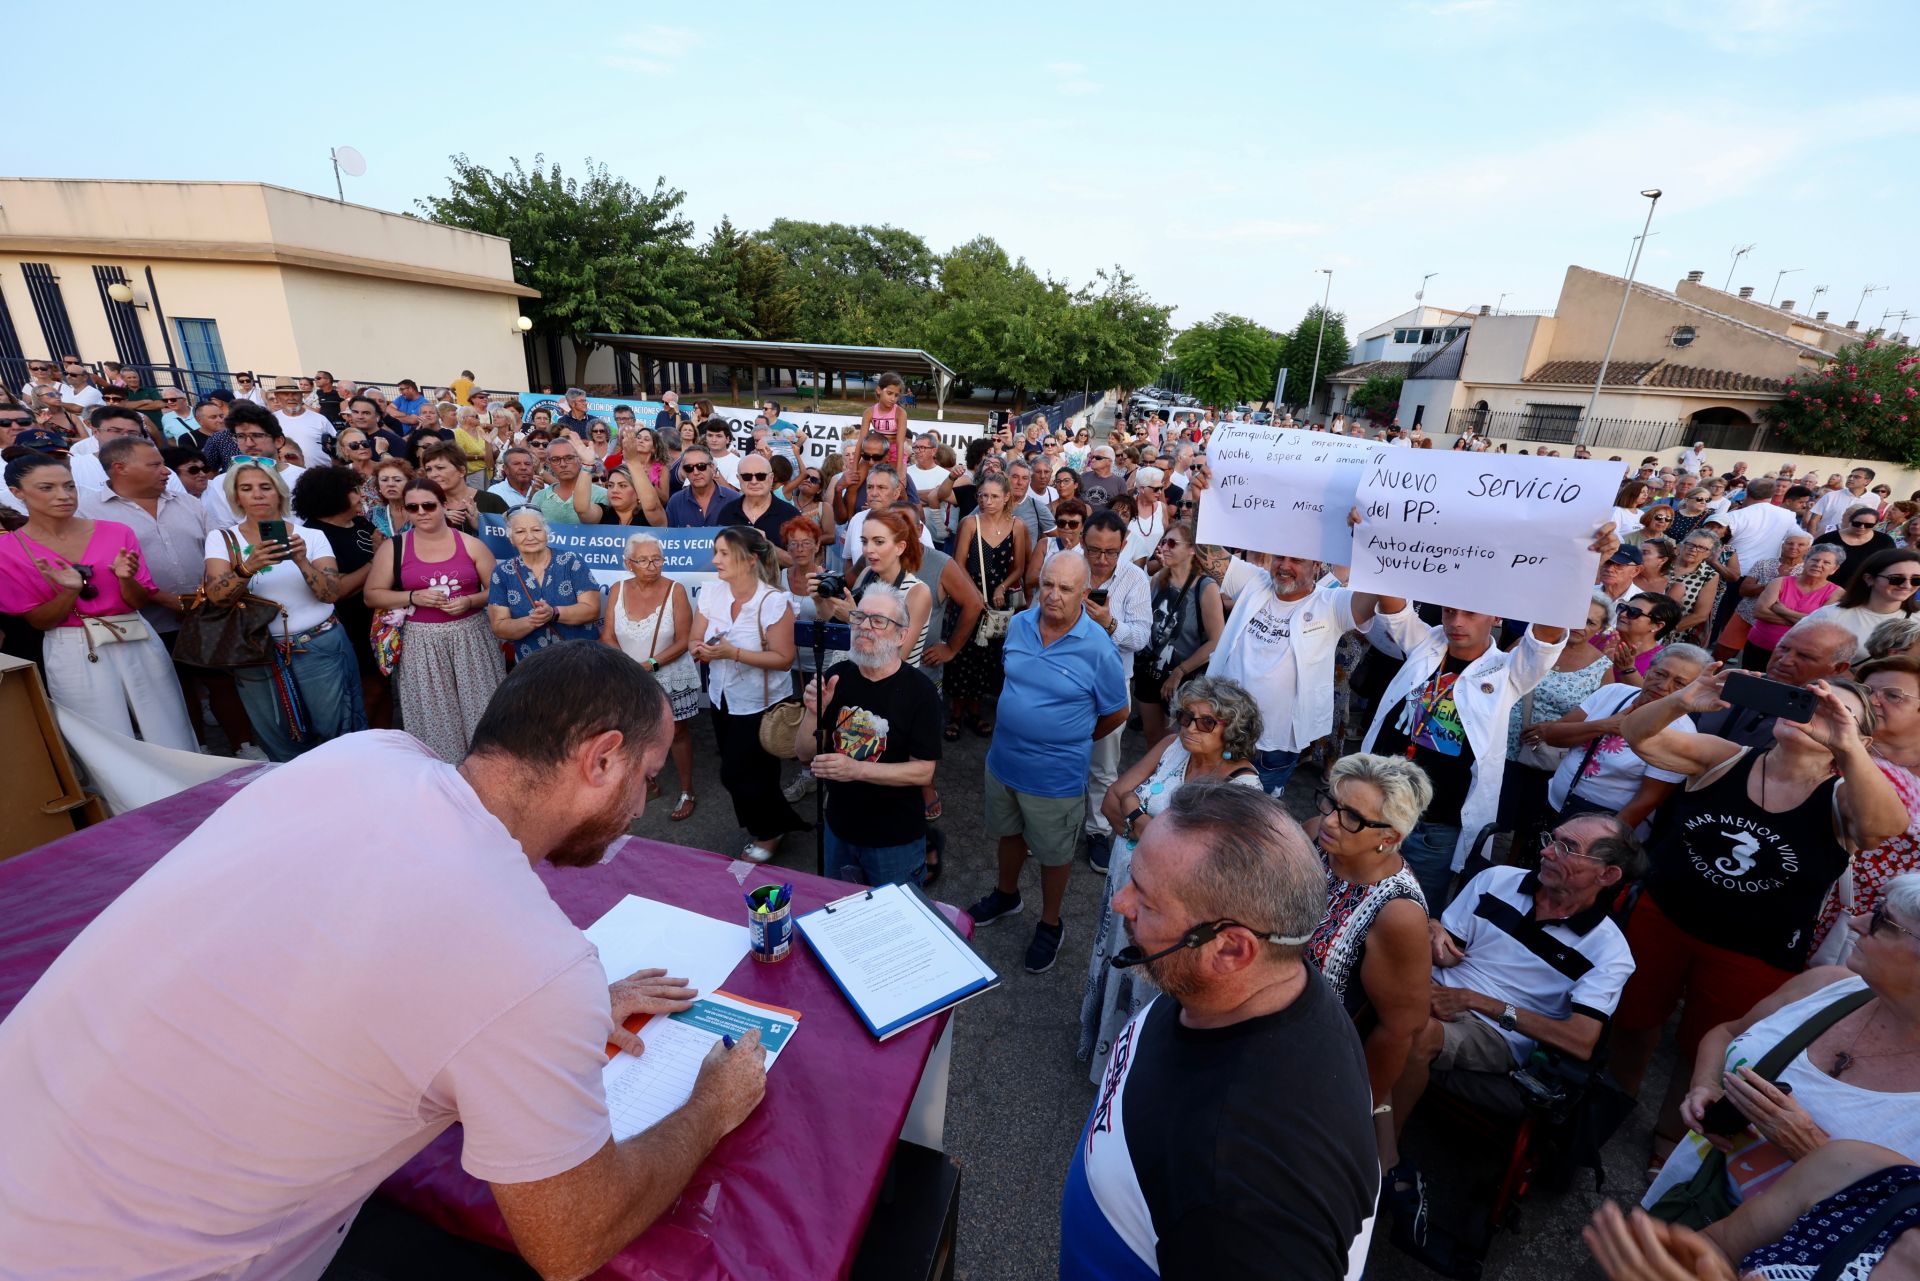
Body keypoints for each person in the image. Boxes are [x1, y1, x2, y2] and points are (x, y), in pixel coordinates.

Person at [0, 644, 770, 1281]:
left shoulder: (365, 755)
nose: (644, 803)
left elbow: (352, 937)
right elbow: (571, 1241)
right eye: (648, 775)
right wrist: (710, 1104)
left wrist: (540, 1021)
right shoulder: (530, 965)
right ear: (601, 759)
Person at [1059, 780, 1378, 1280]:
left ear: (1231, 949)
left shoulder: (1242, 1190)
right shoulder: (1262, 985)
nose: (1122, 902)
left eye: (1145, 897)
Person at [1616, 669, 1907, 1169]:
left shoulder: (1841, 800)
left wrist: (1851, 748)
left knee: (1706, 1047)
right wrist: (1685, 700)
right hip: (1665, 917)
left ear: (1853, 737)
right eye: (1805, 701)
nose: (1813, 714)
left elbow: (1887, 827)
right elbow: (1637, 736)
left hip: (1755, 951)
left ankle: (1671, 1137)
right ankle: (1611, 1105)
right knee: (1633, 1021)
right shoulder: (1725, 758)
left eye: (1832, 711)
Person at [1385, 814, 1641, 1242]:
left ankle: (1379, 1153)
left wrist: (1478, 1001)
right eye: (1551, 839)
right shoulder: (1498, 880)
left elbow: (1581, 1040)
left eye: (1566, 848)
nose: (1545, 851)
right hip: (1433, 988)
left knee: (1417, 1032)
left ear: (1608, 874)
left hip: (1497, 1032)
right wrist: (1433, 932)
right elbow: (1452, 949)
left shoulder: (1609, 950)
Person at [1643, 875, 1920, 1228]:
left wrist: (1811, 1151)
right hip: (1681, 1200)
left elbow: (1901, 1234)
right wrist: (1707, 1085)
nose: (1855, 922)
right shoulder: (1827, 985)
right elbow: (1727, 1032)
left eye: (1883, 920)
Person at [1081, 677, 1264, 1084]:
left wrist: (1135, 818)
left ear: (1232, 729)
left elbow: (1199, 866)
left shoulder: (1242, 788)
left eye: (1205, 722)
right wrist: (1145, 827)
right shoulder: (1171, 749)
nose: (1189, 727)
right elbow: (1114, 793)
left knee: (1153, 984)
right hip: (1126, 885)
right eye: (1185, 716)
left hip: (1173, 910)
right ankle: (1107, 1051)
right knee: (1119, 962)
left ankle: (1139, 1073)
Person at [967, 552, 1128, 974]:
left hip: (1055, 776)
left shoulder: (1098, 649)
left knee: (1054, 854)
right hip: (1003, 762)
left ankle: (1051, 922)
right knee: (1008, 834)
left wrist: (1071, 738)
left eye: (1065, 588)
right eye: (1047, 585)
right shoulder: (1020, 623)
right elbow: (1012, 678)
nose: (1052, 596)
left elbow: (1117, 711)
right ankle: (1006, 895)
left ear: (1085, 594)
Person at [0, 453, 197, 749]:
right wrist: (68, 591)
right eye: (46, 488)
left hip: (135, 635)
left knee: (170, 728)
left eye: (69, 486)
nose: (63, 496)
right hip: (70, 645)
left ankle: (192, 791)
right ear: (17, 493)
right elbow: (40, 621)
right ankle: (124, 797)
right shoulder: (9, 549)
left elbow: (138, 601)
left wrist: (125, 578)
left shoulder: (116, 532)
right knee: (104, 741)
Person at [1301, 754, 1434, 1168]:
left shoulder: (1397, 913)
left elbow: (1399, 1029)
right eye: (1331, 803)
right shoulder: (1316, 842)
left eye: (1353, 817)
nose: (1331, 821)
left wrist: (1353, 1113)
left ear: (1390, 837)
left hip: (1318, 1066)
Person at [201, 459, 365, 760]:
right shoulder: (223, 539)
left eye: (265, 487)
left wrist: (302, 561)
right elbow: (217, 597)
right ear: (236, 497)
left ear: (279, 492)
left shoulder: (311, 536)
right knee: (277, 739)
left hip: (318, 645)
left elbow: (330, 594)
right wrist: (248, 567)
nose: (258, 495)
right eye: (247, 489)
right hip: (256, 652)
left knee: (337, 733)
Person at [793, 582, 944, 887]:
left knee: (893, 921)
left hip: (893, 839)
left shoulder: (921, 692)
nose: (864, 628)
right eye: (860, 618)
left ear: (902, 635)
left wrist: (857, 768)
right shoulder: (838, 676)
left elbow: (923, 771)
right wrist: (812, 711)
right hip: (839, 828)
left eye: (878, 621)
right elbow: (804, 753)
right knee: (838, 908)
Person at [362, 478, 504, 763]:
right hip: (421, 642)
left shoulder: (471, 544)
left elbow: (497, 590)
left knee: (483, 712)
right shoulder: (395, 548)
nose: (422, 512)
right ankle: (445, 783)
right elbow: (372, 595)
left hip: (471, 638)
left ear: (444, 505)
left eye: (429, 505)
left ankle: (489, 777)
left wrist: (470, 600)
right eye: (413, 508)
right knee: (435, 717)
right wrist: (413, 597)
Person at [692, 525, 804, 862]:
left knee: (741, 773)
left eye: (724, 553)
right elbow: (693, 641)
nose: (715, 560)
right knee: (740, 771)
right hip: (722, 697)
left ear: (750, 560)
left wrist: (731, 654)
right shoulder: (712, 593)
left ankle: (770, 833)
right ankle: (773, 822)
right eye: (716, 552)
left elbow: (784, 660)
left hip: (760, 703)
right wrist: (702, 650)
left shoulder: (773, 602)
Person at [1535, 643, 1710, 835]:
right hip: (1554, 802)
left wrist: (1604, 839)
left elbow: (1648, 799)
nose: (1663, 686)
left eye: (1680, 683)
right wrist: (1605, 725)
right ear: (1648, 670)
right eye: (1660, 674)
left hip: (1604, 824)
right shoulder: (1613, 693)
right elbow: (1553, 736)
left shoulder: (1682, 732)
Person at [1811, 656, 1920, 962]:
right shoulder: (1825, 749)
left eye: (1892, 695)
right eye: (1867, 691)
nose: (1874, 700)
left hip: (1894, 931)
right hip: (1815, 906)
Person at [603, 533, 699, 822]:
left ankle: (687, 791)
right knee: (634, 733)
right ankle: (646, 783)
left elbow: (684, 641)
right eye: (642, 560)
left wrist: (649, 665)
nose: (651, 565)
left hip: (668, 675)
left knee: (677, 733)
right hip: (629, 676)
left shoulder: (675, 590)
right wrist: (627, 666)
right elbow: (607, 634)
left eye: (656, 559)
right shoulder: (618, 589)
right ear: (628, 563)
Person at [291, 465, 389, 731]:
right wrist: (376, 562)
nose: (360, 496)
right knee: (368, 692)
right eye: (354, 490)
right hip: (350, 624)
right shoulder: (315, 535)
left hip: (376, 619)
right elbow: (340, 589)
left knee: (384, 689)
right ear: (334, 495)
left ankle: (388, 744)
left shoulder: (359, 522)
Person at [944, 474, 1028, 736]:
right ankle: (956, 715)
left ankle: (976, 712)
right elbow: (958, 563)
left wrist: (1001, 588)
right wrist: (974, 595)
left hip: (997, 605)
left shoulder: (1018, 526)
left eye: (993, 496)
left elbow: (1019, 568)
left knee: (988, 658)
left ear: (1006, 498)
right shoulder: (970, 523)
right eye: (982, 495)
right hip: (969, 598)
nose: (986, 500)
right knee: (962, 656)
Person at [1132, 521, 1224, 747]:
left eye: (1172, 543)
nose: (1164, 548)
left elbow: (1216, 641)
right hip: (1149, 672)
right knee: (1153, 739)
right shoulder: (1158, 579)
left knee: (1180, 743)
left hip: (1183, 681)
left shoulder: (1206, 586)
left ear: (1192, 549)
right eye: (1162, 542)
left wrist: (1179, 672)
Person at [487, 508, 603, 664]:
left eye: (536, 530)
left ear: (546, 533)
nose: (530, 537)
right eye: (520, 532)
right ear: (511, 538)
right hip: (533, 666)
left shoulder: (570, 561)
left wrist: (554, 613)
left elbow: (592, 610)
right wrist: (532, 621)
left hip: (580, 660)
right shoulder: (502, 573)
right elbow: (499, 626)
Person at [1746, 543, 1846, 671]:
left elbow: (1821, 626)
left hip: (1799, 656)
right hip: (1760, 646)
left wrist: (1783, 611)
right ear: (1805, 561)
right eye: (1814, 560)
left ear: (1834, 569)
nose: (1818, 564)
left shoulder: (1837, 593)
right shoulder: (1780, 582)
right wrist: (1807, 620)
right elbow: (1759, 612)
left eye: (1826, 563)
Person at [1809, 548, 1920, 661]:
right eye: (1896, 579)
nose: (1907, 585)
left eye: (1916, 580)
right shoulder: (1829, 616)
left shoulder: (1918, 618)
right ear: (1869, 579)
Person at [715, 453, 799, 548]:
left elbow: (798, 561)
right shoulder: (727, 512)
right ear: (739, 479)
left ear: (771, 478)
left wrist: (766, 545)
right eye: (747, 477)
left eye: (761, 476)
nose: (754, 481)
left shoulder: (791, 515)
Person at [1607, 592, 1684, 686]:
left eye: (1634, 612)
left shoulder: (1663, 663)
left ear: (1657, 626)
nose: (1623, 614)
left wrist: (1626, 669)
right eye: (1623, 608)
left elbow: (1648, 697)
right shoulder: (1598, 640)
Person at [530, 435, 607, 527]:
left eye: (569, 458)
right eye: (555, 459)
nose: (563, 464)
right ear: (549, 463)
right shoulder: (539, 497)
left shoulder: (602, 495)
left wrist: (587, 466)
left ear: (580, 459)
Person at [1815, 504, 1896, 588]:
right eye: (1857, 524)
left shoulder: (1884, 541)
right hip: (1827, 586)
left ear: (1875, 525)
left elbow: (1890, 564)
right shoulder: (1829, 538)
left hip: (1864, 588)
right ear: (1850, 521)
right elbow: (1812, 558)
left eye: (1868, 525)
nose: (1862, 527)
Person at [665, 445, 737, 527]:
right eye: (689, 468)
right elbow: (670, 536)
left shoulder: (734, 500)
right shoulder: (675, 502)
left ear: (712, 467)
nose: (695, 472)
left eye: (701, 466)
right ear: (685, 471)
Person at [1811, 466, 1879, 536]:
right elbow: (1814, 520)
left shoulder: (1874, 498)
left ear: (1867, 481)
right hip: (1826, 538)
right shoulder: (1830, 496)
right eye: (1850, 476)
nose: (1851, 479)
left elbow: (1870, 521)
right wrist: (1813, 539)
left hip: (1854, 539)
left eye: (1856, 477)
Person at [487, 446, 542, 511]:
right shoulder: (495, 492)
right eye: (516, 464)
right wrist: (532, 499)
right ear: (505, 469)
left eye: (527, 464)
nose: (523, 467)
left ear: (533, 468)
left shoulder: (545, 490)